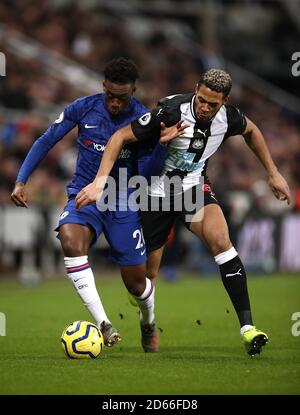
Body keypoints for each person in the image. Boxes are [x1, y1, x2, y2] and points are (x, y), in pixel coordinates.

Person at [75, 68, 291, 356]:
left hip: (192, 189)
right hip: (154, 196)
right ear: (196, 88)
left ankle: (248, 329)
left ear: (224, 101)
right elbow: (118, 138)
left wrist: (272, 173)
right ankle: (148, 320)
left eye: (212, 104)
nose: (204, 107)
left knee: (221, 242)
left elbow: (251, 131)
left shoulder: (230, 118)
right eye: (201, 99)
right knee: (144, 279)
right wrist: (100, 182)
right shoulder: (170, 110)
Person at [11, 57, 183, 352]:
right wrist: (21, 179)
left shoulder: (143, 120)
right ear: (103, 87)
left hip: (123, 199)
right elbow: (46, 140)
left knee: (137, 285)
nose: (115, 104)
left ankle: (148, 321)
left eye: (122, 98)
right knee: (69, 238)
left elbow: (146, 175)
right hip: (84, 195)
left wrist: (162, 147)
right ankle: (104, 323)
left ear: (134, 91)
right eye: (110, 96)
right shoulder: (83, 107)